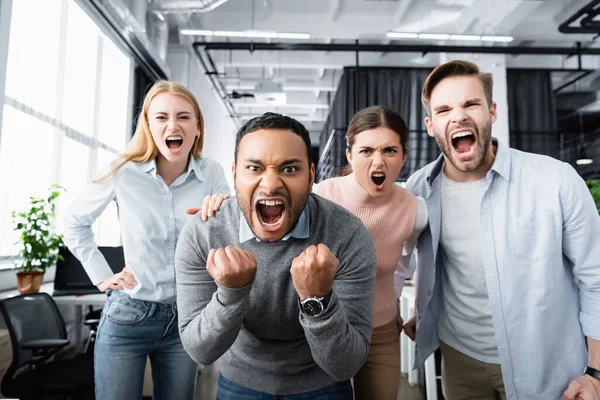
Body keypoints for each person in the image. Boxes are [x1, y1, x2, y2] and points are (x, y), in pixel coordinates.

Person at [402, 60, 600, 400]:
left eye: (471, 104)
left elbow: (597, 277)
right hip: (459, 360)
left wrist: (596, 373)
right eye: (445, 109)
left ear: (492, 111)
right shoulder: (420, 188)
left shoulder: (555, 180)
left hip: (546, 365)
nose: (458, 116)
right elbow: (408, 258)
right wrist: (423, 309)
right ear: (431, 125)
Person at [174, 112, 377, 399]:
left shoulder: (347, 234)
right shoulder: (204, 233)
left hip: (323, 384)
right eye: (254, 168)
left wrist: (316, 300)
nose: (270, 185)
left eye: (290, 169)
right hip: (241, 382)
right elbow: (201, 351)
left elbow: (346, 365)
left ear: (311, 175)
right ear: (234, 175)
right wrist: (231, 294)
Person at [63, 80, 230, 400]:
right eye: (161, 117)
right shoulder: (122, 170)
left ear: (197, 126)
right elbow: (74, 223)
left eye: (183, 116)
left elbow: (229, 235)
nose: (173, 124)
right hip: (129, 316)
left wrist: (220, 218)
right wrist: (102, 275)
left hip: (187, 318)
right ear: (148, 126)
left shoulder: (211, 172)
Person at [313, 105, 427, 400]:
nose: (379, 161)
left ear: (404, 155)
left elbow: (404, 264)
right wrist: (222, 206)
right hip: (326, 331)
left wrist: (395, 299)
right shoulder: (321, 197)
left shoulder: (413, 209)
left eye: (390, 150)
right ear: (349, 154)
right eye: (366, 151)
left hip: (382, 333)